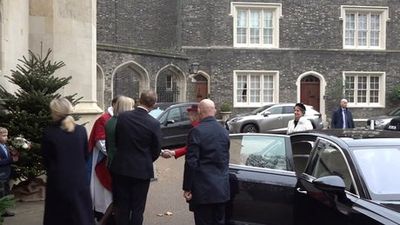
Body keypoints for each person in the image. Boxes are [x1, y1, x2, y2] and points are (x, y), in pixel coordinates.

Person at [110, 90, 161, 225]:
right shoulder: (154, 123)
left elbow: (116, 140)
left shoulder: (123, 117)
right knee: (138, 208)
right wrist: (145, 160)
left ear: (139, 100)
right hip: (141, 170)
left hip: (121, 167)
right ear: (154, 104)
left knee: (122, 205)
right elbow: (156, 150)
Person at [42, 98, 94, 225]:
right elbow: (85, 155)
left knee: (58, 216)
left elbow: (46, 159)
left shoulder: (49, 132)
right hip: (79, 179)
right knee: (81, 214)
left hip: (58, 180)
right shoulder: (81, 130)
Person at [183, 99, 230, 225]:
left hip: (202, 190)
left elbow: (191, 162)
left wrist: (187, 187)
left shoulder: (196, 132)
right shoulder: (224, 132)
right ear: (214, 111)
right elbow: (225, 159)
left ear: (199, 111)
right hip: (221, 189)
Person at [98, 96, 135, 225]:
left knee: (118, 196)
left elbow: (108, 145)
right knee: (125, 198)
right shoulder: (123, 123)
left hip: (112, 162)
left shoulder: (110, 122)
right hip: (123, 164)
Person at [88, 96, 119, 222]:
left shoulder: (119, 119)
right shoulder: (104, 119)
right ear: (114, 104)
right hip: (103, 160)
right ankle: (103, 214)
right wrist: (116, 155)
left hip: (114, 159)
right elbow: (100, 142)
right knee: (103, 190)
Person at [0, 127, 18, 217]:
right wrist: (10, 159)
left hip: (7, 172)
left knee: (6, 191)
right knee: (1, 193)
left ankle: (5, 210)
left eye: (6, 135)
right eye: (3, 136)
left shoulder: (5, 146)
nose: (6, 137)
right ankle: (2, 211)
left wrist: (14, 155)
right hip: (1, 173)